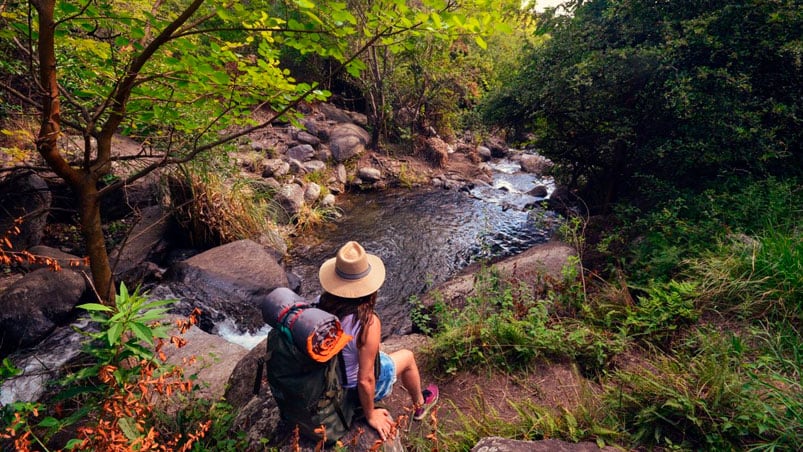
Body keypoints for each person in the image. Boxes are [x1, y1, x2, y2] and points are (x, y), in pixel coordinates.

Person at [317, 241, 438, 441]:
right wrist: (370, 413)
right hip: (351, 392)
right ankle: (420, 405)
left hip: (330, 381)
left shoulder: (320, 307)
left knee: (375, 357)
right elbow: (366, 379)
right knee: (407, 357)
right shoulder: (367, 322)